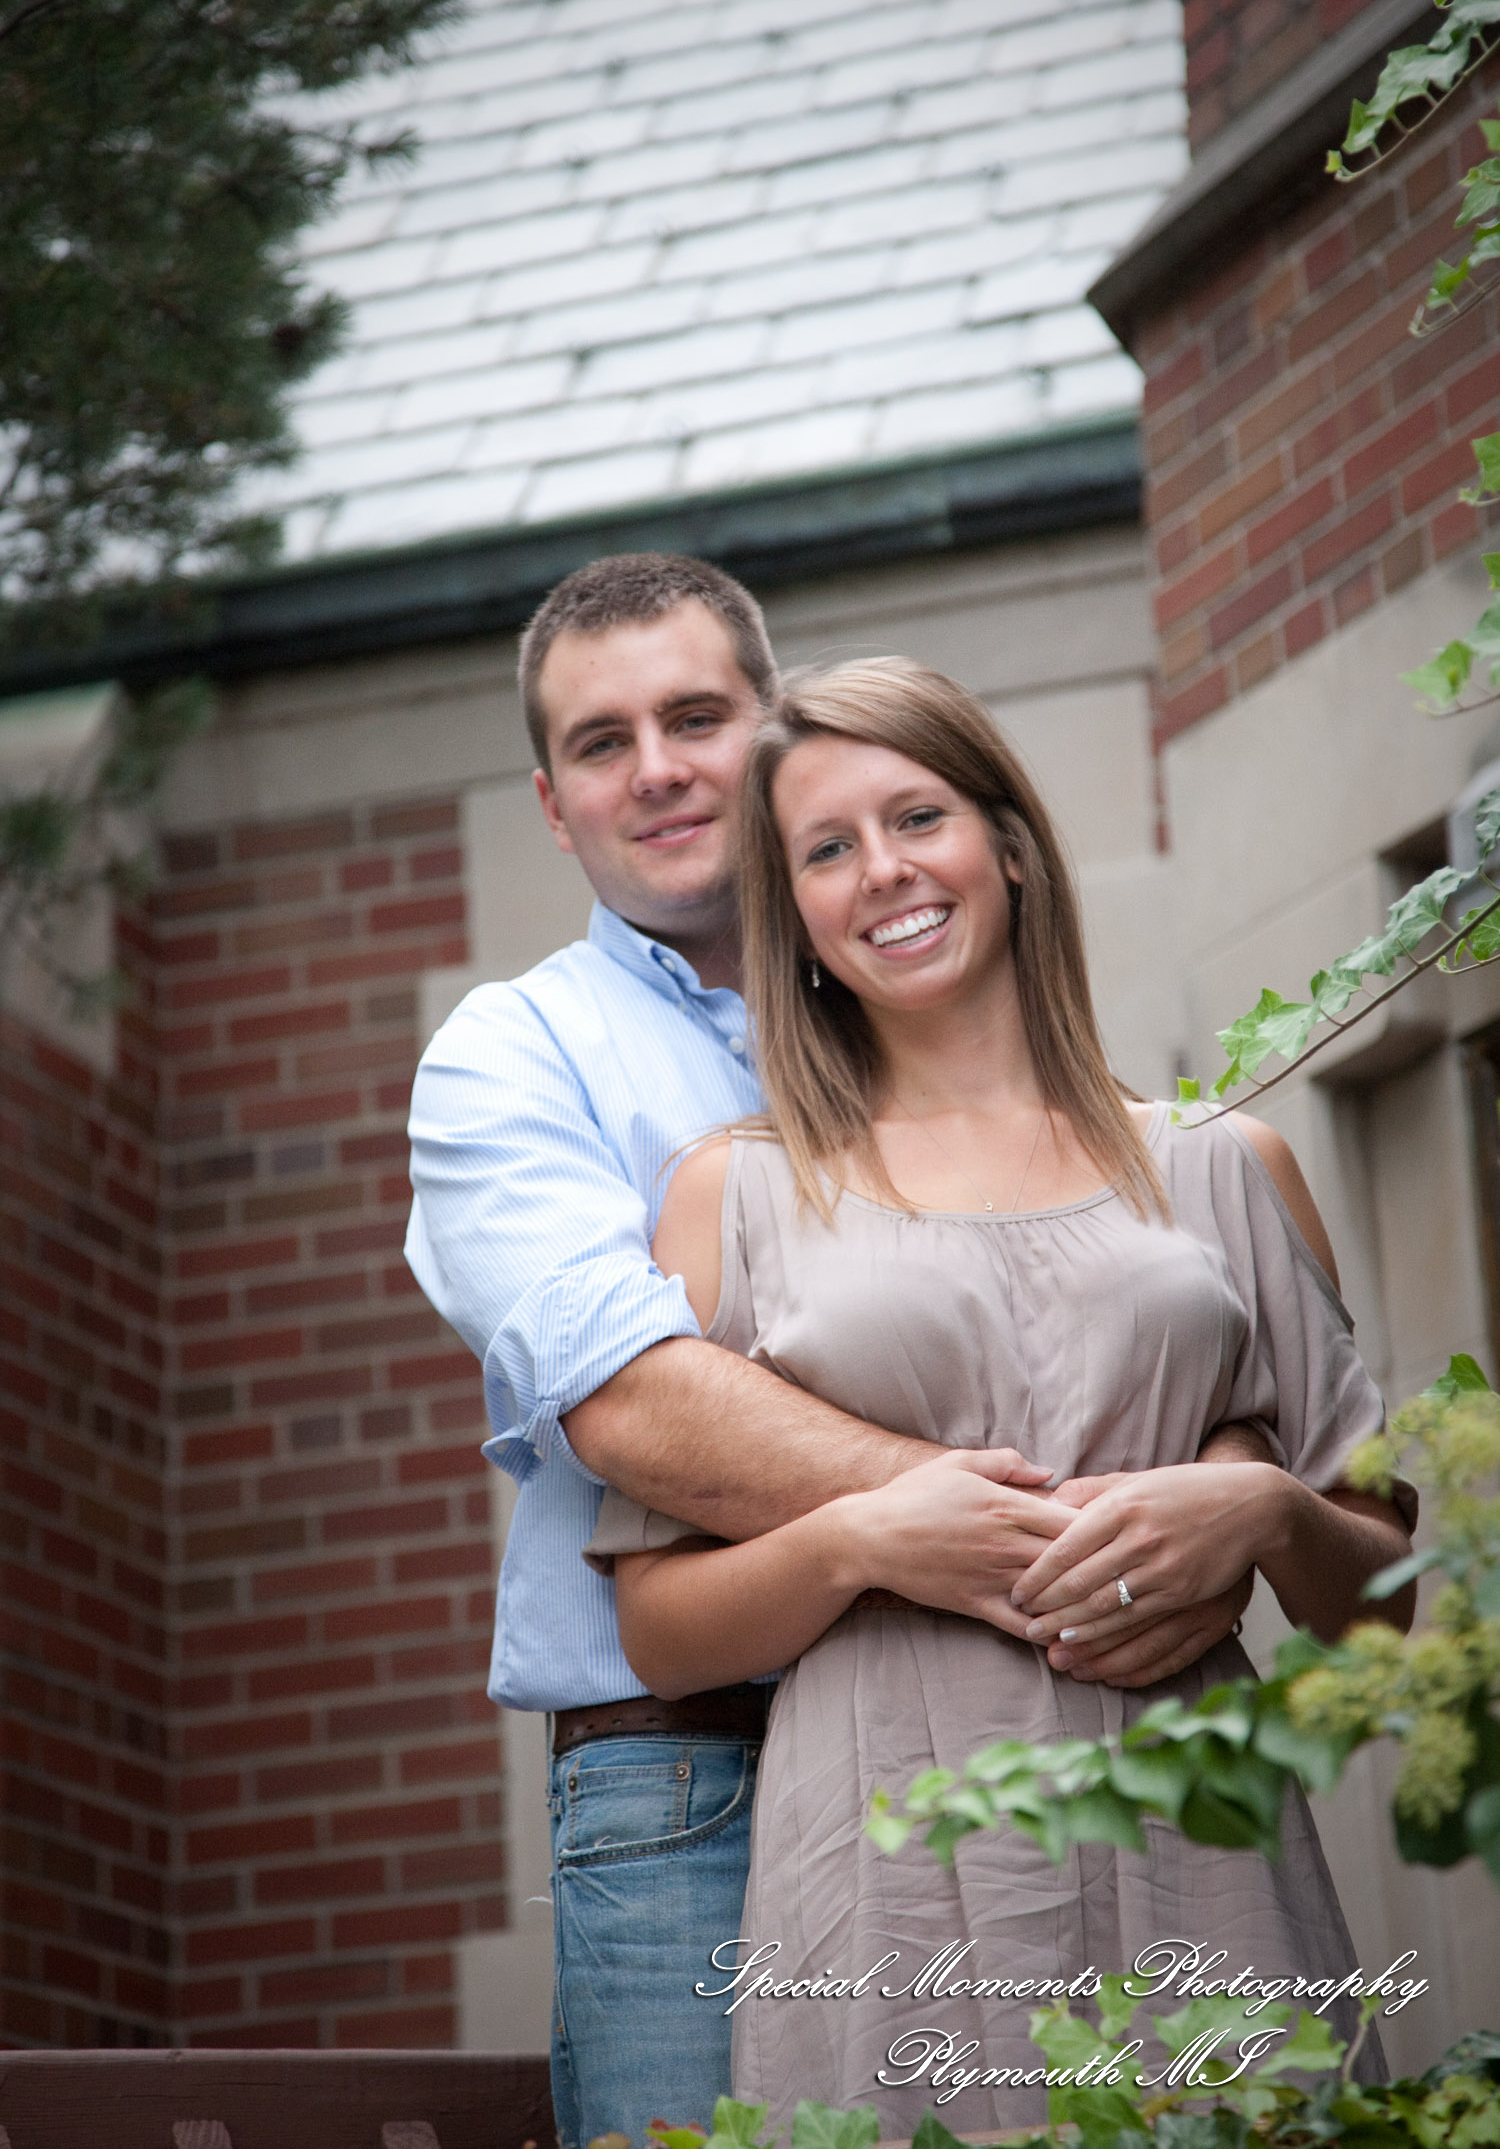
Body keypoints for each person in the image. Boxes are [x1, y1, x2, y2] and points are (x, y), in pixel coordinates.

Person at [406, 559, 1266, 2149]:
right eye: (602, 743)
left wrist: (1229, 1490)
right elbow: (636, 1402)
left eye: (694, 716)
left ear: (775, 728)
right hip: (698, 1784)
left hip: (1050, 1723)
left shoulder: (947, 1010)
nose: (654, 766)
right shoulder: (515, 1056)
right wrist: (1040, 1534)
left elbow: (1156, 1349)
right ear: (551, 801)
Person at [585, 656, 1417, 2137]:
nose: (883, 870)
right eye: (826, 850)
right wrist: (862, 1539)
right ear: (800, 924)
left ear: (1012, 847)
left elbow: (1391, 1613)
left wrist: (1268, 1504)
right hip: (883, 1871)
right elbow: (655, 1623)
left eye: (918, 816)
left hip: (1198, 1848)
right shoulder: (737, 1195)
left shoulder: (1227, 1164)